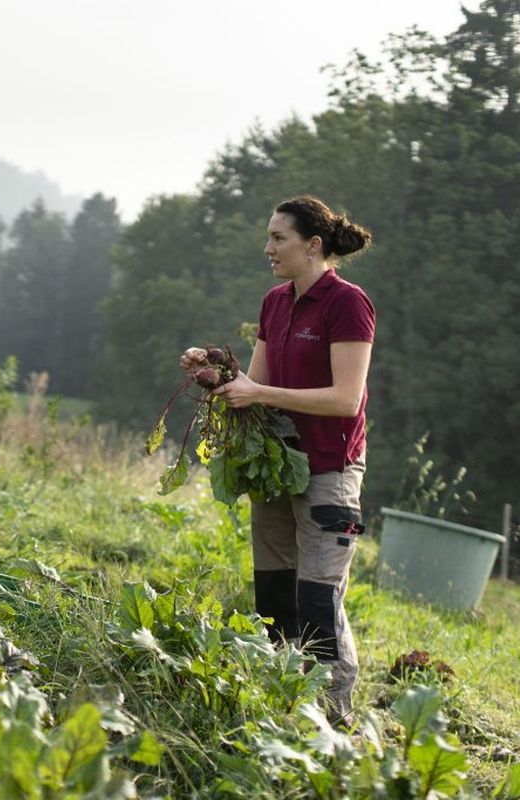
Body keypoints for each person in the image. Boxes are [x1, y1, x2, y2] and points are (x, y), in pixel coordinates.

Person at [189, 195, 375, 722]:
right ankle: (279, 703)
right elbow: (254, 384)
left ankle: (332, 719)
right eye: (268, 237)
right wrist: (213, 368)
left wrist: (259, 393)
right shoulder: (274, 302)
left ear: (313, 245)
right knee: (273, 592)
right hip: (276, 463)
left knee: (318, 597)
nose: (267, 247)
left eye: (278, 238)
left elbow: (346, 399)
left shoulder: (348, 304)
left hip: (328, 468)